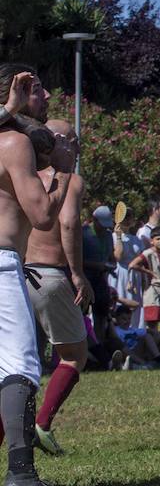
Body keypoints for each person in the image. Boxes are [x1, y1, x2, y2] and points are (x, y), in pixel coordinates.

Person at [0, 65, 76, 486]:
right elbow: (44, 216)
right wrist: (63, 171)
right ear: (22, 90)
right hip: (4, 263)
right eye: (39, 89)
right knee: (21, 366)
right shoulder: (13, 143)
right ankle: (22, 475)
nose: (47, 96)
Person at [24, 118, 89, 459]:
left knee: (20, 367)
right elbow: (68, 222)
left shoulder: (23, 176)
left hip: (18, 275)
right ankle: (42, 424)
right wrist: (77, 273)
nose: (77, 150)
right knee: (74, 355)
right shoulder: (70, 181)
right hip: (49, 275)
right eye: (74, 142)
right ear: (58, 143)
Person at [128, 228, 160, 340]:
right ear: (152, 241)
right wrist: (149, 272)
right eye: (158, 239)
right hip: (153, 290)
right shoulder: (148, 253)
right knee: (152, 322)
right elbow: (132, 265)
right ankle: (151, 346)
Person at [83, 204, 116, 339]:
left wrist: (111, 265)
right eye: (102, 224)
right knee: (81, 315)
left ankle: (99, 346)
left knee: (101, 315)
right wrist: (97, 265)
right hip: (85, 279)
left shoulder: (108, 236)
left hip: (101, 280)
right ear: (94, 219)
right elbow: (75, 260)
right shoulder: (83, 233)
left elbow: (111, 257)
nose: (104, 228)